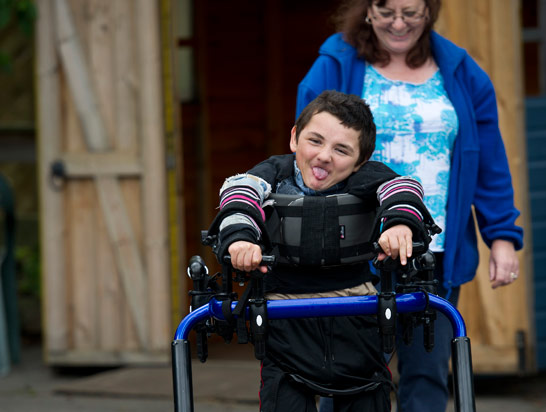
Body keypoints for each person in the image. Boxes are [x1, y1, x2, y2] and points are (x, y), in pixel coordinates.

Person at [296, 1, 524, 411]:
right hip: (354, 251)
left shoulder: (459, 69)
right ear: (367, 11)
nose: (399, 24)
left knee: (427, 375)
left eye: (411, 13)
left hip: (431, 252)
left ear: (430, 12)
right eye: (386, 12)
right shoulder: (336, 63)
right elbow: (308, 154)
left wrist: (502, 236)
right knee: (349, 378)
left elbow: (487, 157)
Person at [207, 90, 438, 412]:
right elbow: (238, 193)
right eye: (314, 141)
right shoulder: (272, 174)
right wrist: (241, 239)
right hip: (282, 313)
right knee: (283, 401)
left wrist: (399, 225)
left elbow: (403, 189)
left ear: (360, 161)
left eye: (341, 149)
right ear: (294, 139)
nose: (324, 155)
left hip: (356, 307)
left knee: (368, 397)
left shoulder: (369, 177)